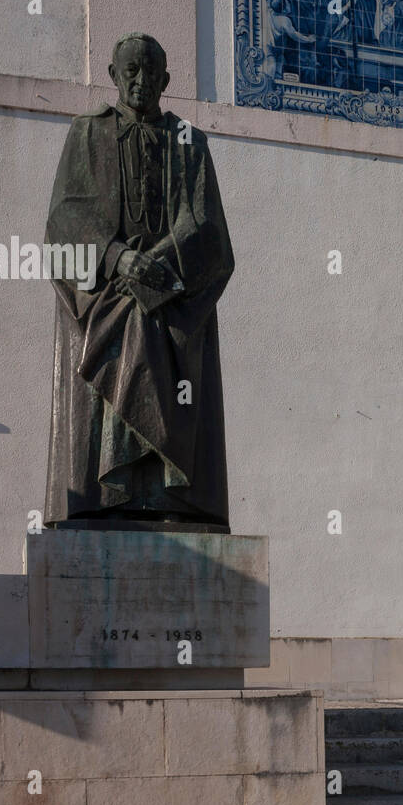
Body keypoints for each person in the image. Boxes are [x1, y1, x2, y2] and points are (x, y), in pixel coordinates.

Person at [43, 33, 235, 532]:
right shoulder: (86, 133)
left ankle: (164, 488)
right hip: (104, 287)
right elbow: (65, 221)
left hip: (171, 290)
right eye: (130, 70)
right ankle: (111, 487)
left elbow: (209, 230)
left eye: (151, 73)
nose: (140, 80)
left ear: (166, 81)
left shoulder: (190, 142)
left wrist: (159, 267)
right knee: (126, 318)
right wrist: (117, 257)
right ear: (111, 75)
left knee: (149, 318)